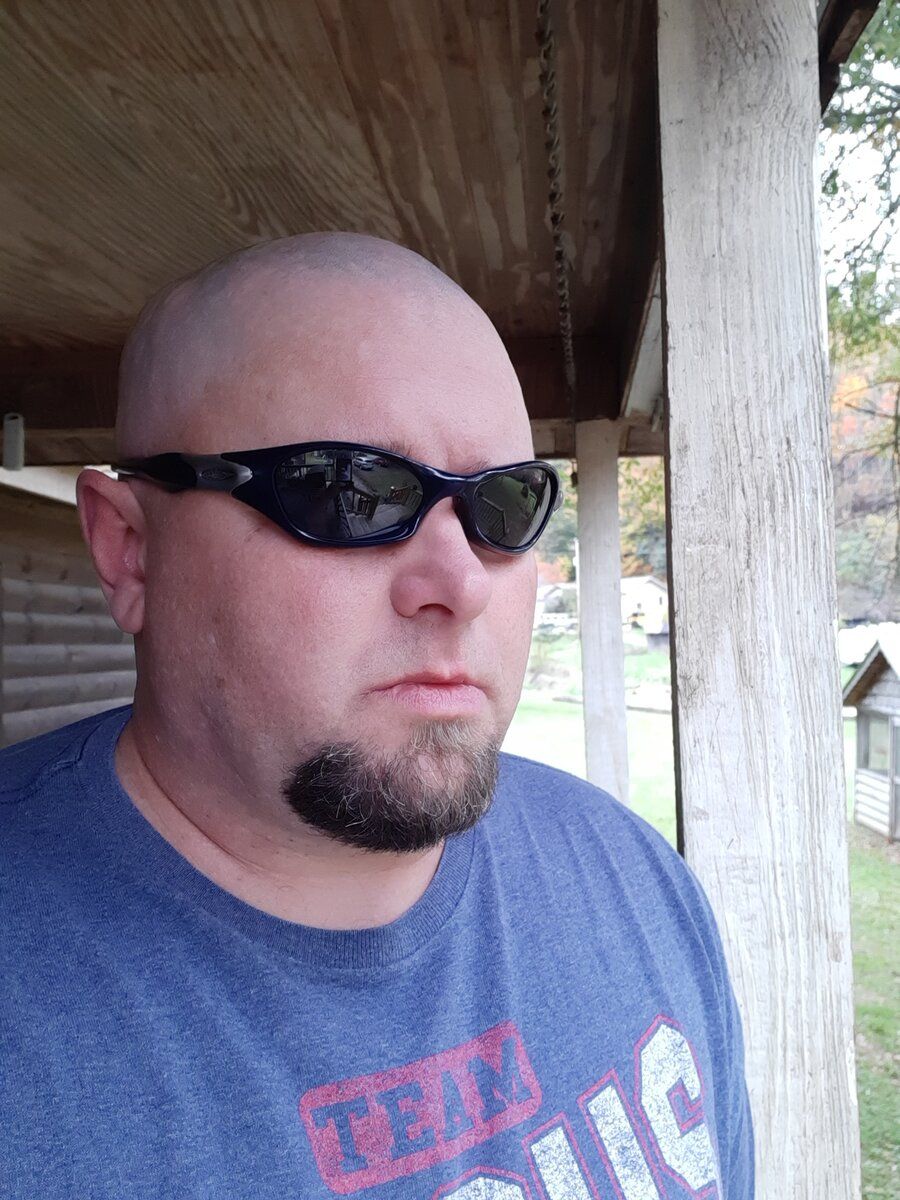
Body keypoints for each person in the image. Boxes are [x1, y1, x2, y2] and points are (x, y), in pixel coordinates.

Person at [1, 233, 753, 1199]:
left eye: (504, 505)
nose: (461, 584)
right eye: (349, 494)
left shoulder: (635, 881)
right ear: (130, 551)